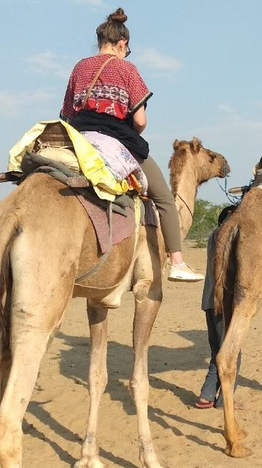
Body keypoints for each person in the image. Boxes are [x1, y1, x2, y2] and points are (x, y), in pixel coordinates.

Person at [60, 7, 203, 282]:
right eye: (127, 49)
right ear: (122, 44)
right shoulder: (127, 69)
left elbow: (66, 114)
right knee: (164, 198)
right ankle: (176, 261)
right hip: (115, 138)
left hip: (78, 139)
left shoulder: (79, 67)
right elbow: (140, 121)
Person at [195, 205, 241, 409]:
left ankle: (206, 396)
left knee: (217, 352)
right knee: (232, 353)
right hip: (222, 303)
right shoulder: (226, 237)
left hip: (208, 302)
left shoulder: (213, 237)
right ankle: (224, 401)